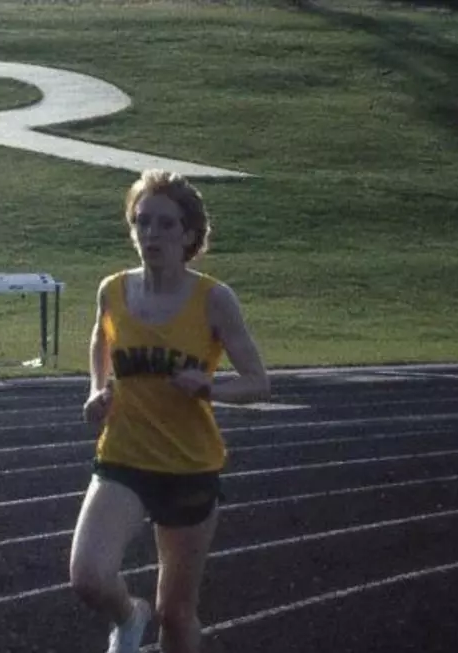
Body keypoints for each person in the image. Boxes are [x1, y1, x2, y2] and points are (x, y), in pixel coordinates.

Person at [69, 169, 271, 653]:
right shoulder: (113, 291)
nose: (151, 234)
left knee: (176, 614)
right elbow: (100, 338)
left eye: (164, 224)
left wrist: (210, 388)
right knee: (89, 577)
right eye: (142, 222)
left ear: (189, 234)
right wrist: (97, 388)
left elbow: (259, 382)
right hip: (124, 455)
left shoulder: (213, 300)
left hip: (188, 467)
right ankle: (127, 614)